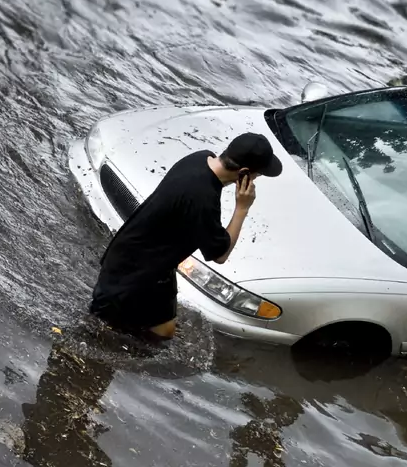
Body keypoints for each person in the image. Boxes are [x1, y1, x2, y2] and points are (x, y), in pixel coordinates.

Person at [89, 133, 282, 341]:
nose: (254, 180)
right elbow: (220, 254)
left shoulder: (199, 158)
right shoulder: (203, 198)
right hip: (132, 275)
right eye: (256, 175)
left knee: (164, 332)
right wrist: (242, 208)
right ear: (244, 172)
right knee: (102, 332)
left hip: (152, 264)